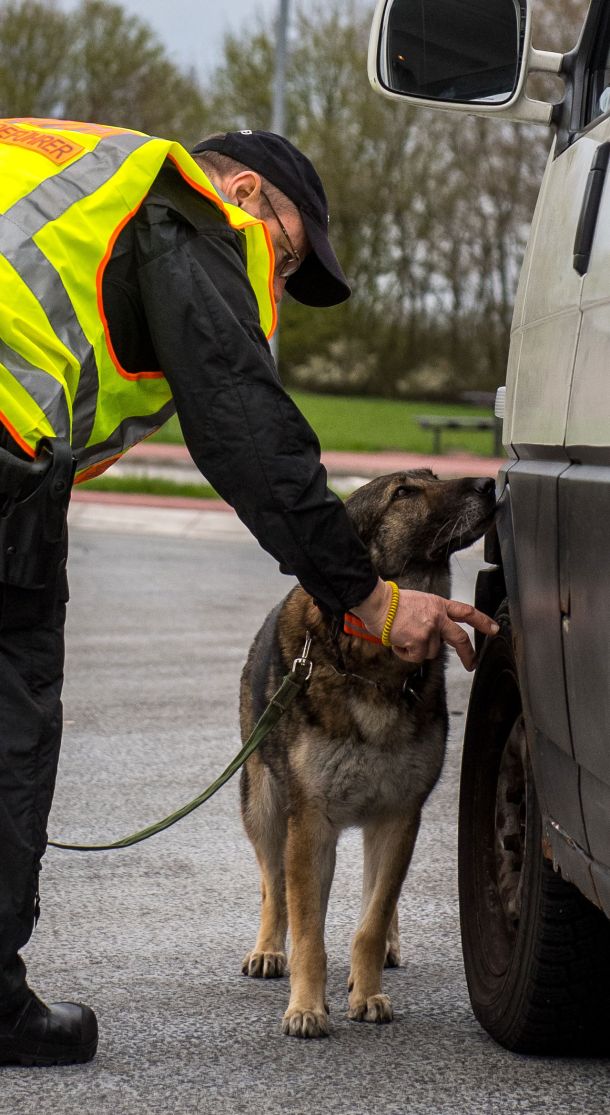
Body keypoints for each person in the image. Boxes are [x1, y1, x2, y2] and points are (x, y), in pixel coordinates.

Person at [0, 119, 498, 1067]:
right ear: (246, 199)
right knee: (9, 716)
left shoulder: (68, 170)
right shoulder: (181, 214)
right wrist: (369, 595)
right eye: (281, 258)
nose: (265, 292)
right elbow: (246, 427)